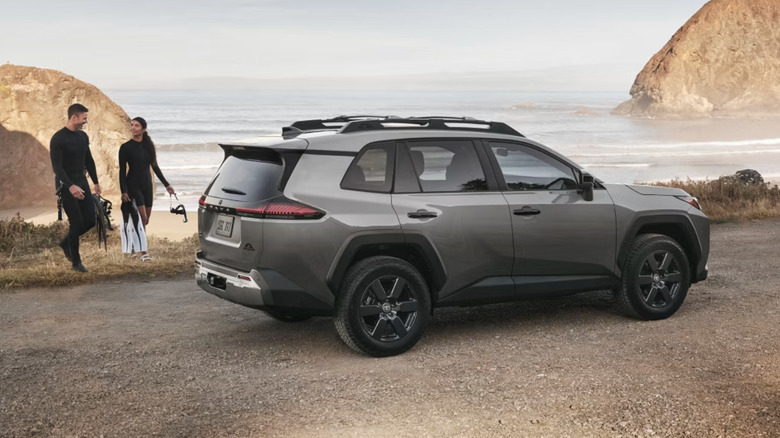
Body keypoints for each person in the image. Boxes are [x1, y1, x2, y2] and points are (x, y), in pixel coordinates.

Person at [50, 103, 101, 272]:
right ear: (74, 117)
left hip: (82, 181)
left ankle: (66, 243)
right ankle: (76, 263)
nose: (85, 122)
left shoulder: (83, 137)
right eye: (84, 118)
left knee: (90, 221)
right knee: (76, 222)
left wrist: (95, 182)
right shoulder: (58, 138)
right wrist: (70, 186)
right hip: (65, 184)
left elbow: (89, 160)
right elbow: (57, 168)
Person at [118, 117, 175, 261]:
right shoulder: (125, 147)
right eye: (132, 125)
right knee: (141, 219)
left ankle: (134, 247)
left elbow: (155, 167)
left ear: (143, 129)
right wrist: (123, 191)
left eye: (136, 126)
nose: (133, 128)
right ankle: (143, 252)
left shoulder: (149, 146)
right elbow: (122, 171)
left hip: (147, 186)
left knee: (145, 221)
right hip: (133, 185)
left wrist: (167, 184)